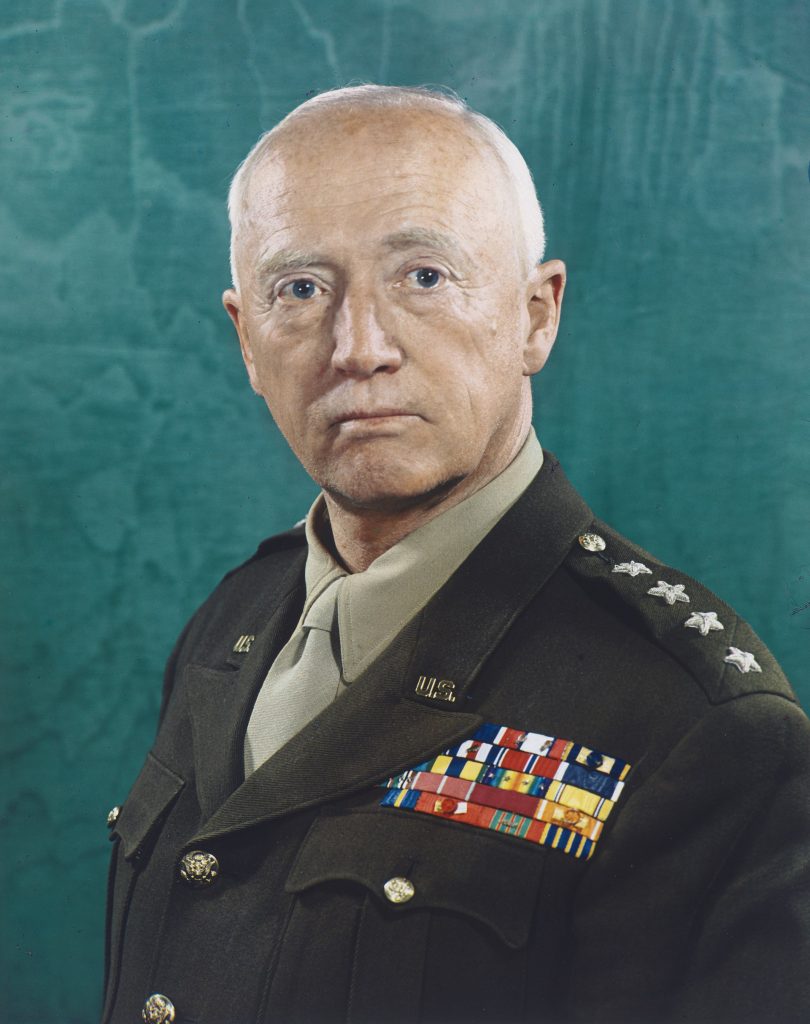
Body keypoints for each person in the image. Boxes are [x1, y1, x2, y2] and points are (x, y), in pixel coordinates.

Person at [102, 85, 810, 1024]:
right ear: (246, 340)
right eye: (300, 289)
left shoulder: (695, 721)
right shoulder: (228, 624)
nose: (358, 348)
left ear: (535, 316)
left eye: (424, 277)